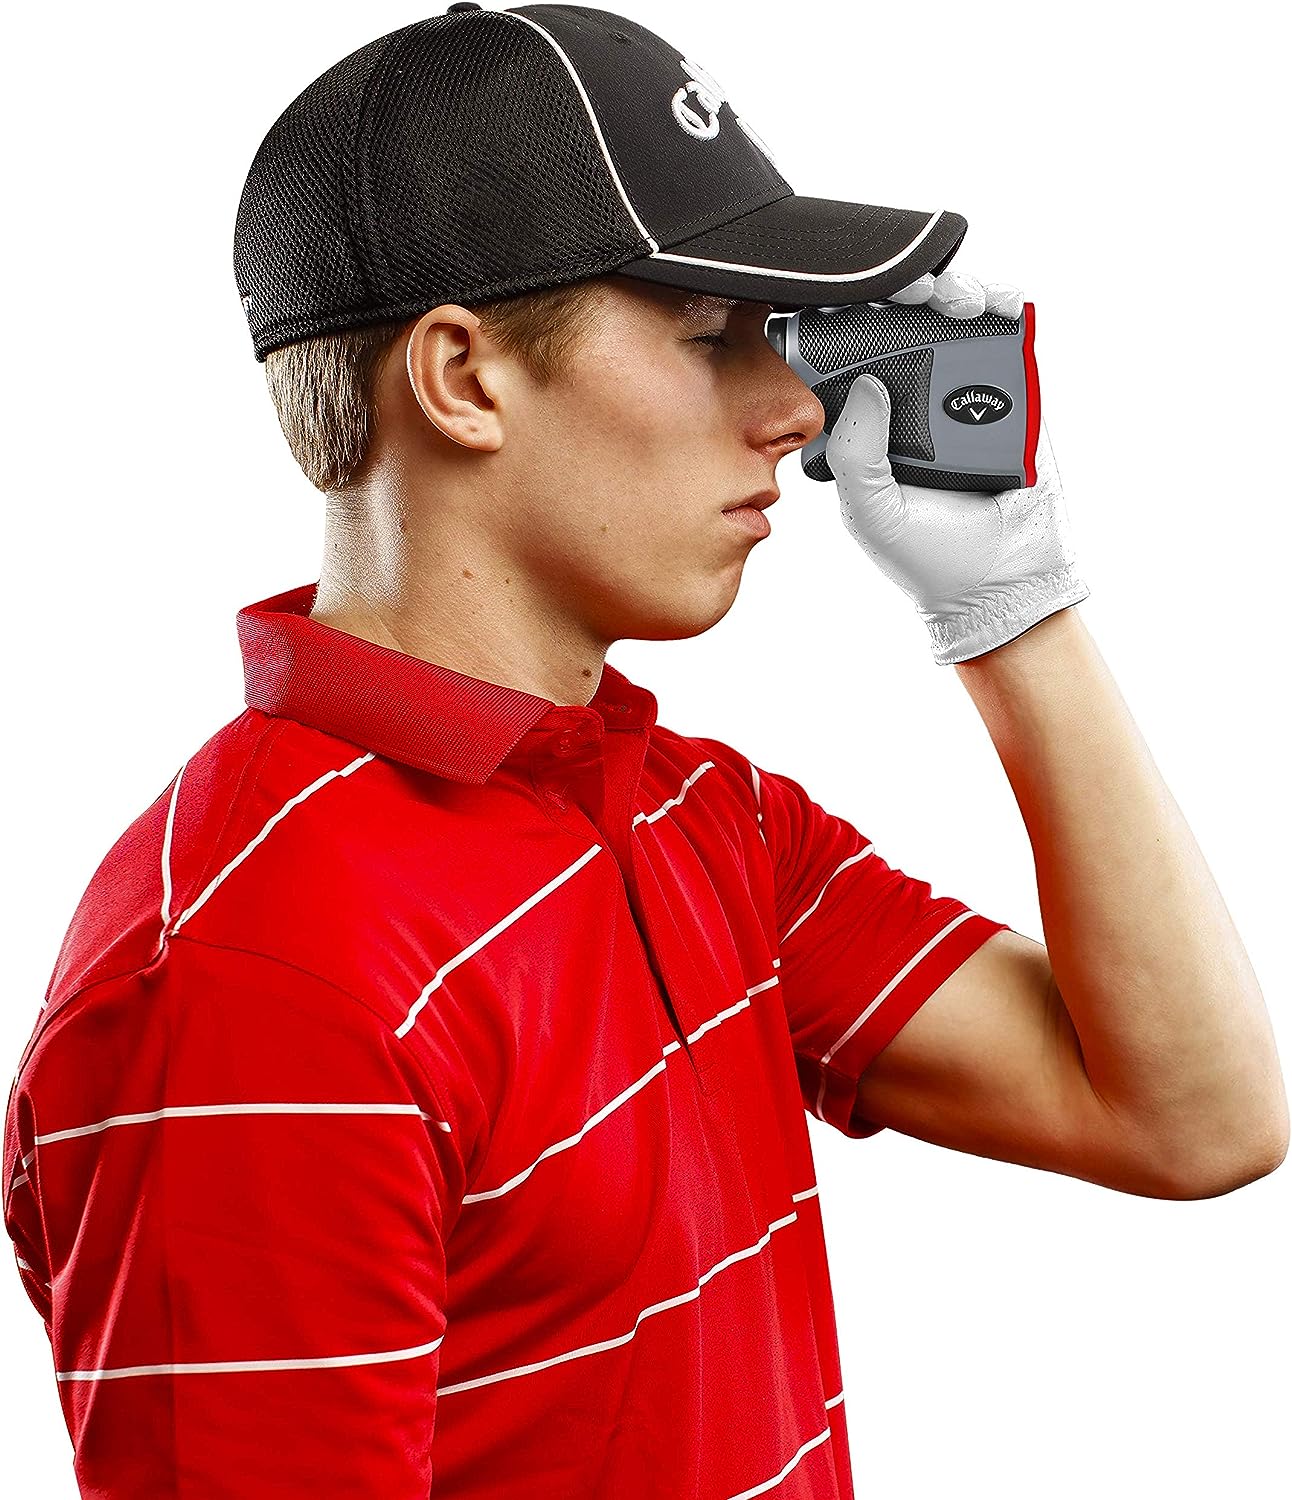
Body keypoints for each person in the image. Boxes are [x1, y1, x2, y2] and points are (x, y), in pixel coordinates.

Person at [4, 4, 1286, 1497]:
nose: (795, 410)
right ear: (462, 378)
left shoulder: (695, 813)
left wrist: (1011, 605)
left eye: (776, 337)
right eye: (706, 334)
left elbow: (1193, 1119)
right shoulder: (247, 978)